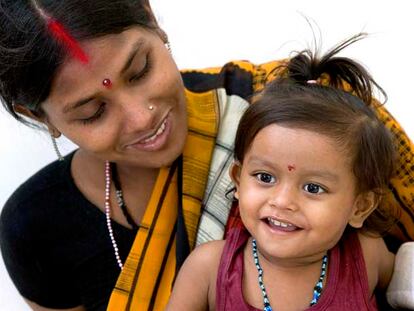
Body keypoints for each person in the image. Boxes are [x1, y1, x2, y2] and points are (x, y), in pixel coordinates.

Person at [0, 0, 412, 310]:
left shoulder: (310, 115)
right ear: (38, 115)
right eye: (93, 112)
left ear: (150, 14)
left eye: (141, 69)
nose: (141, 118)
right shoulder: (35, 228)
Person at [166, 35, 410, 311]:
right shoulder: (209, 268)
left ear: (360, 206)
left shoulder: (366, 256)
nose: (282, 201)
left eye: (313, 188)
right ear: (237, 180)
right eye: (265, 177)